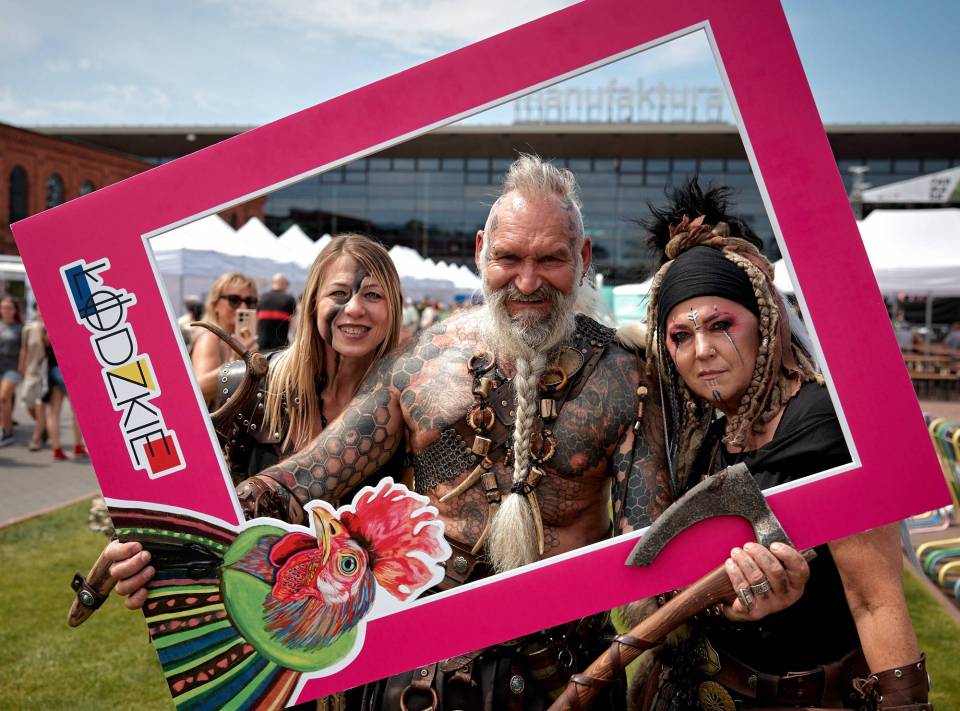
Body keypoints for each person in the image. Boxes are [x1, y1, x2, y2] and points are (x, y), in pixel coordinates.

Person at [106, 157, 806, 710]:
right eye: (509, 257)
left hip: (568, 672)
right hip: (424, 675)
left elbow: (647, 554)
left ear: (584, 256)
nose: (527, 281)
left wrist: (735, 595)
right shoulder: (421, 364)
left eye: (550, 259)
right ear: (480, 252)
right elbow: (298, 481)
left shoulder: (626, 378)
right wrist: (168, 536)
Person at [631, 181, 928, 711]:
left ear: (766, 323)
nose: (702, 351)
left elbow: (875, 601)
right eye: (680, 336)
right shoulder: (708, 436)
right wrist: (731, 606)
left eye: (721, 325)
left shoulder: (827, 429)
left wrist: (908, 706)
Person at [191, 272, 258, 404]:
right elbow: (200, 386)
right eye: (234, 300)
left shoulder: (237, 337)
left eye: (250, 301)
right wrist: (235, 362)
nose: (243, 307)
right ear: (215, 304)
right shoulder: (210, 336)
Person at [43, 324, 87, 460]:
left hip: (53, 370)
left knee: (54, 412)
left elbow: (45, 345)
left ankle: (56, 449)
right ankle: (78, 446)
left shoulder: (45, 327)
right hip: (70, 370)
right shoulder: (67, 324)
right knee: (77, 411)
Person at [18, 304, 48, 450]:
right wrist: (21, 367)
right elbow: (24, 349)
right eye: (39, 309)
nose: (41, 312)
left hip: (46, 374)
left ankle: (36, 439)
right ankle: (43, 427)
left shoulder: (52, 328)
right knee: (27, 403)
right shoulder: (28, 328)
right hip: (31, 371)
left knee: (40, 405)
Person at [0, 296, 23, 446]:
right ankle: (6, 429)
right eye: (3, 307)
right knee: (3, 401)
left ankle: (6, 432)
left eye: (9, 308)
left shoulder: (20, 328)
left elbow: (24, 350)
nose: (6, 310)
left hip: (12, 368)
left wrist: (22, 368)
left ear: (15, 310)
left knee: (3, 398)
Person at [257, 272, 297, 351]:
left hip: (262, 345)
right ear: (283, 283)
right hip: (281, 347)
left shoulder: (262, 298)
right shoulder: (289, 299)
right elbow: (294, 323)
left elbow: (256, 321)